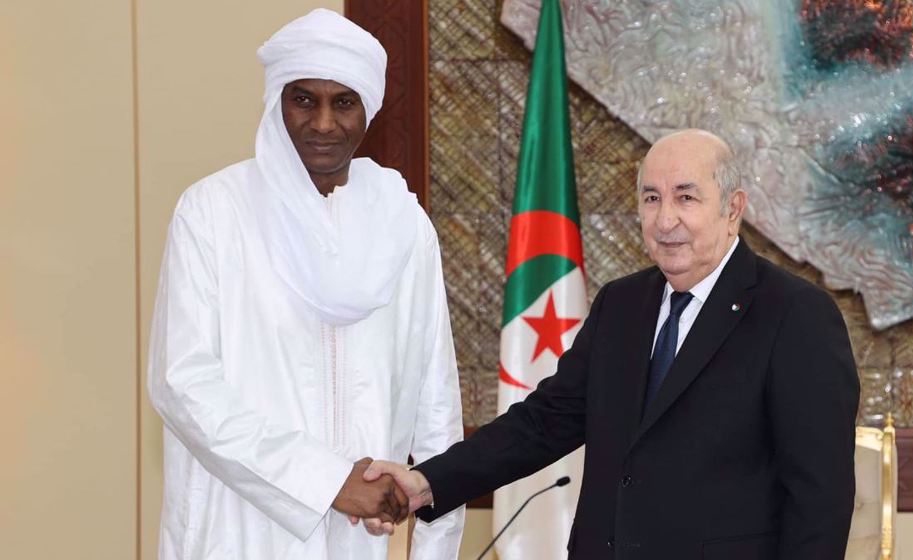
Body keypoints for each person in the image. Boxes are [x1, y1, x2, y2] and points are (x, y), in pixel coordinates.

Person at [363, 129, 860, 559]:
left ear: (733, 209)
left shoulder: (795, 315)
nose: (665, 220)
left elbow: (820, 502)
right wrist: (427, 481)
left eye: (686, 198)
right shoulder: (622, 304)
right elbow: (544, 422)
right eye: (651, 198)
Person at [147, 9, 464, 560]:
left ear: (369, 109)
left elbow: (436, 402)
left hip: (361, 539)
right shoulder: (215, 211)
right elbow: (183, 382)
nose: (323, 123)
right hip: (237, 525)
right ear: (275, 104)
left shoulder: (402, 222)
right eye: (303, 99)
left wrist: (434, 549)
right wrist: (327, 481)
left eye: (343, 102)